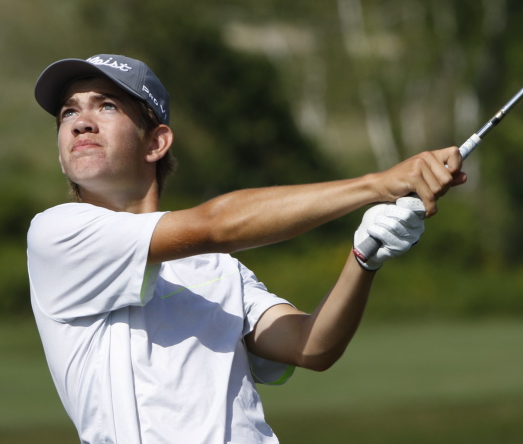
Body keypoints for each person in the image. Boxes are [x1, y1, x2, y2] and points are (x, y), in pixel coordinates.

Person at [27, 53, 465, 443]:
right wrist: (376, 185)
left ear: (156, 142)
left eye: (106, 105)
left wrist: (364, 257)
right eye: (69, 112)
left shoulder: (217, 267)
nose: (81, 121)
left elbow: (309, 347)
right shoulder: (57, 234)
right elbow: (217, 224)